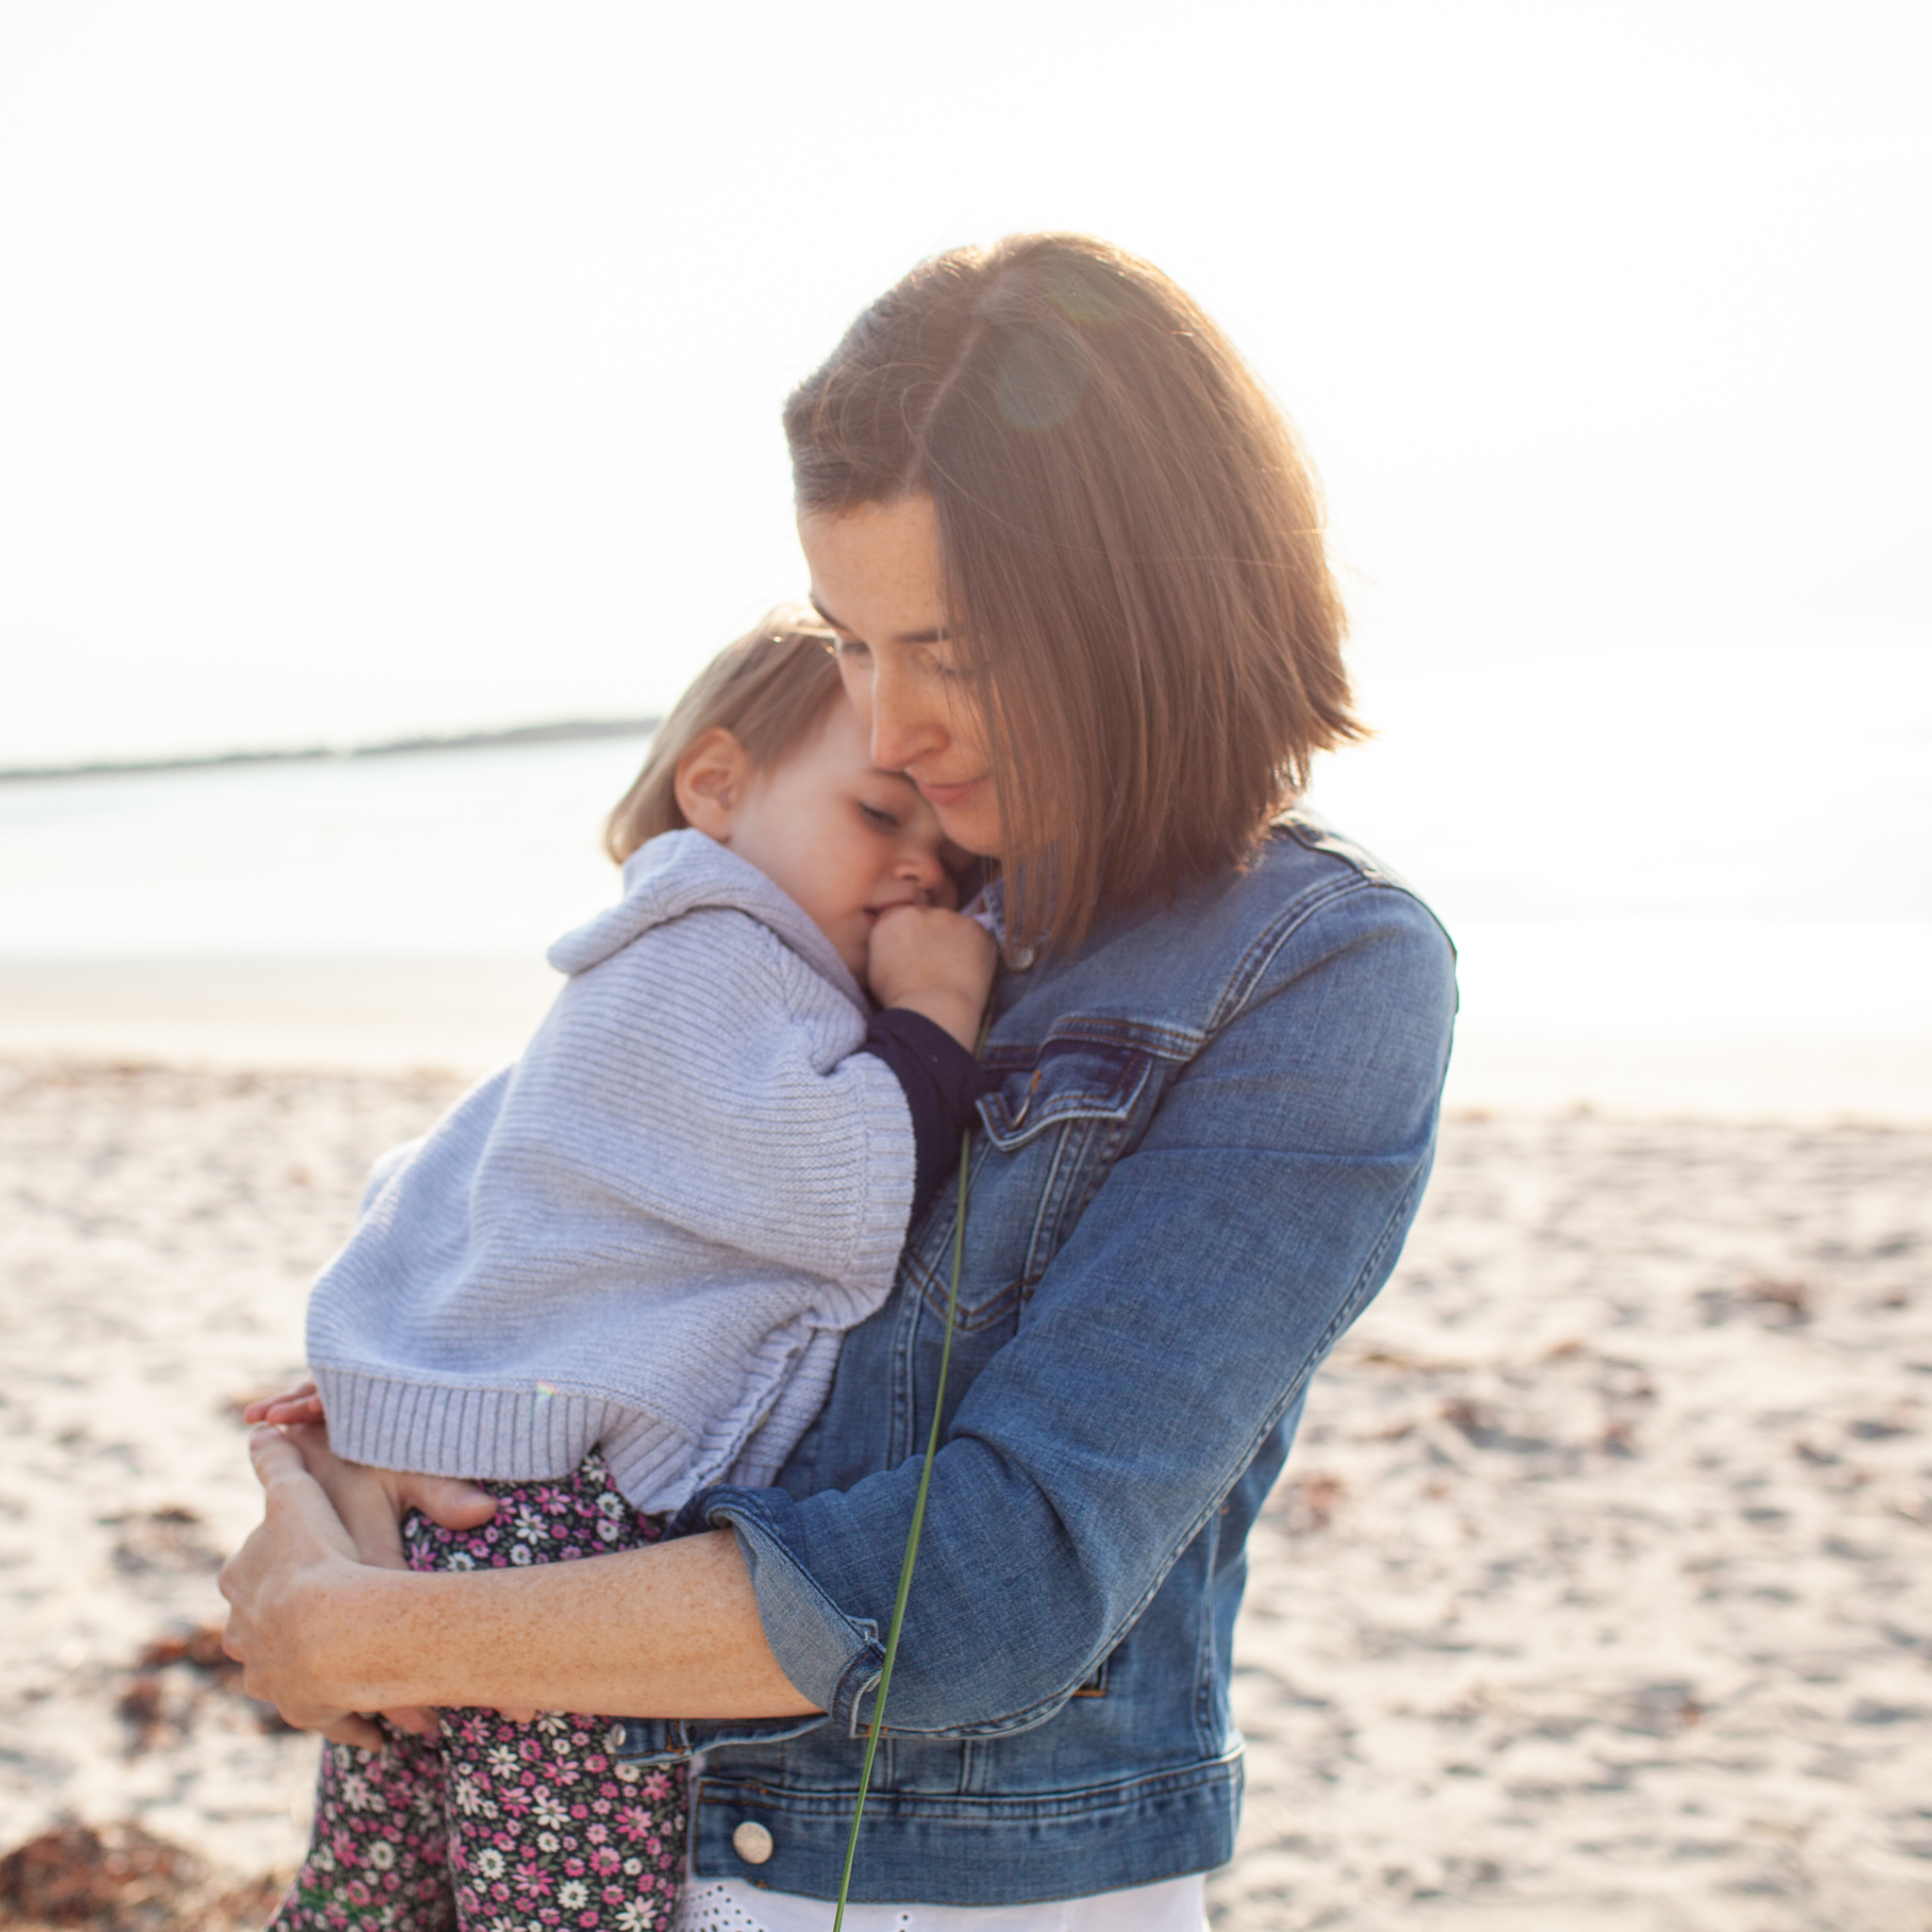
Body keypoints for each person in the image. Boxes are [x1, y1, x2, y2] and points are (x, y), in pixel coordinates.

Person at [221, 233, 1458, 1932]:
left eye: (947, 650)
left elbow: (1008, 1577)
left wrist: (386, 1631)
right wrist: (326, 1484)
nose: (886, 731)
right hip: (613, 1849)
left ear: (1142, 604)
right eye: (854, 646)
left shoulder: (1318, 971)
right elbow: (532, 1242)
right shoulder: (830, 904)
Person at [244, 614, 998, 1931]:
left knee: (385, 1879)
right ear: (715, 786)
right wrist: (934, 1020)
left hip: (484, 1515)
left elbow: (439, 1176)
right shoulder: (721, 954)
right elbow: (842, 1196)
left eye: (950, 859)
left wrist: (390, 1381)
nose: (918, 875)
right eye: (881, 815)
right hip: (563, 1537)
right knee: (559, 1902)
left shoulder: (648, 957)